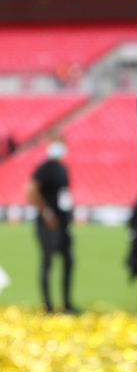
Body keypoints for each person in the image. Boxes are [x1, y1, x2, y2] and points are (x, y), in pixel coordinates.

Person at [25, 132, 76, 314]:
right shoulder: (44, 168)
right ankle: (48, 306)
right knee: (47, 262)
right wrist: (46, 213)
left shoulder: (62, 168)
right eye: (56, 143)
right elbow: (31, 190)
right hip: (48, 224)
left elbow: (64, 195)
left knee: (69, 261)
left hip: (63, 223)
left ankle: (66, 304)